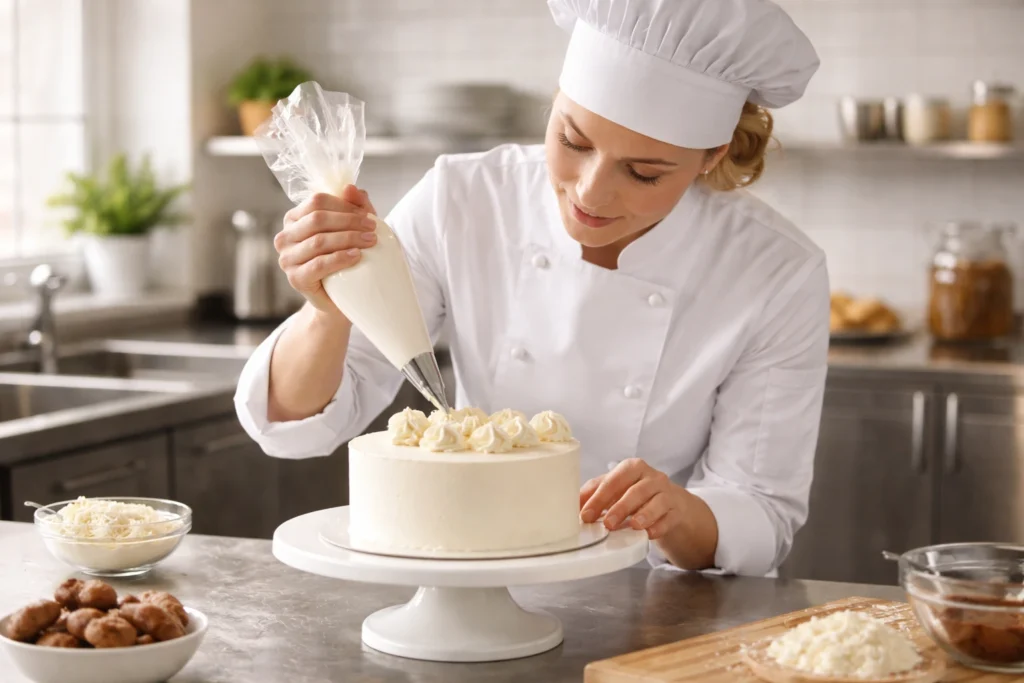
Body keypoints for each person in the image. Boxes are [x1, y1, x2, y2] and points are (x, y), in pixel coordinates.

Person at [236, 0, 828, 577]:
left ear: (710, 156)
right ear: (555, 104)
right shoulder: (464, 199)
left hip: (653, 603)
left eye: (644, 172)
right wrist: (327, 312)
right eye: (573, 141)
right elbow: (295, 424)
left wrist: (676, 514)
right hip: (474, 575)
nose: (592, 193)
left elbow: (761, 513)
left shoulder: (773, 269)